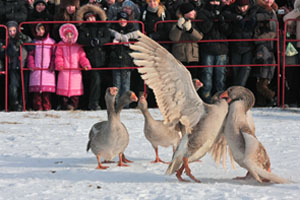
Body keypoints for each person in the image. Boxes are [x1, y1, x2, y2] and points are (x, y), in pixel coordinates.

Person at [76, 4, 111, 110]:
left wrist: (100, 41)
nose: (91, 19)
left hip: (103, 57)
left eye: (92, 17)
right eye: (88, 18)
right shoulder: (83, 28)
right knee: (95, 81)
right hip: (89, 58)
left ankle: (103, 103)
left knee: (103, 81)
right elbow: (80, 39)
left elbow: (108, 37)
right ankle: (93, 103)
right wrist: (90, 42)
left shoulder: (102, 27)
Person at [197, 0, 231, 103]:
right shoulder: (203, 12)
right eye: (212, 1)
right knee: (207, 74)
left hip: (222, 48)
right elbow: (204, 29)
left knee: (220, 75)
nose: (215, 4)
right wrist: (211, 19)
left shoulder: (225, 11)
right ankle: (206, 97)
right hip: (208, 48)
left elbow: (228, 31)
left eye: (217, 1)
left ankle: (220, 97)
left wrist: (221, 21)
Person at [55, 23, 91, 110]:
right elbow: (58, 56)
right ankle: (65, 105)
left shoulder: (78, 46)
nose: (69, 36)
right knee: (64, 90)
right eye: (67, 35)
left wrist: (85, 64)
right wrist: (60, 64)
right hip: (64, 70)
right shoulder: (60, 45)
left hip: (75, 71)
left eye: (71, 34)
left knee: (75, 91)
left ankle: (74, 105)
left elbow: (82, 56)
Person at [223, 0, 258, 87]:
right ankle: (237, 88)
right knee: (236, 69)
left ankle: (239, 89)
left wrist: (254, 18)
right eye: (240, 7)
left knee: (246, 68)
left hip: (248, 46)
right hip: (235, 45)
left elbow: (267, 13)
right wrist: (236, 17)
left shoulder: (254, 8)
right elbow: (224, 13)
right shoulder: (232, 9)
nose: (243, 9)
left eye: (245, 6)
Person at [109, 11, 139, 107]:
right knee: (116, 85)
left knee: (126, 85)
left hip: (127, 61)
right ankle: (116, 105)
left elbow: (137, 44)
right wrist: (113, 44)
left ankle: (126, 105)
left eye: (124, 20)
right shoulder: (112, 31)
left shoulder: (132, 31)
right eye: (120, 19)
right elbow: (108, 47)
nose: (122, 21)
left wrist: (129, 44)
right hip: (115, 61)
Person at [252, 0, 278, 106]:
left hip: (272, 49)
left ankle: (271, 99)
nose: (268, 0)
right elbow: (256, 32)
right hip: (262, 50)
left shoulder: (275, 11)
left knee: (264, 80)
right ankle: (272, 98)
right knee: (261, 80)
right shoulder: (258, 10)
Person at [169, 3, 203, 79]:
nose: (194, 12)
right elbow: (174, 38)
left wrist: (190, 30)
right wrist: (179, 27)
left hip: (193, 57)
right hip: (180, 56)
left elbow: (199, 37)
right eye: (191, 11)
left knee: (193, 78)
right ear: (186, 13)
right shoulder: (176, 23)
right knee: (180, 79)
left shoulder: (195, 23)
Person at [27, 23, 56, 111]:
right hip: (36, 70)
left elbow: (54, 55)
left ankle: (47, 107)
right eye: (38, 30)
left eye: (42, 29)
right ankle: (37, 107)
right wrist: (31, 64)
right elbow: (30, 55)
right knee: (36, 93)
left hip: (47, 71)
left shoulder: (51, 42)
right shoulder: (34, 42)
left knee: (46, 93)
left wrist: (52, 64)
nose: (40, 32)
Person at [6, 21, 33, 111]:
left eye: (14, 30)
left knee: (24, 87)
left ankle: (23, 104)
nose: (12, 33)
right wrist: (14, 46)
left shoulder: (22, 37)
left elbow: (31, 47)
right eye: (10, 31)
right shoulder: (7, 41)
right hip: (13, 66)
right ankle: (14, 104)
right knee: (13, 86)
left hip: (24, 65)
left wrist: (25, 39)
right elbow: (8, 53)